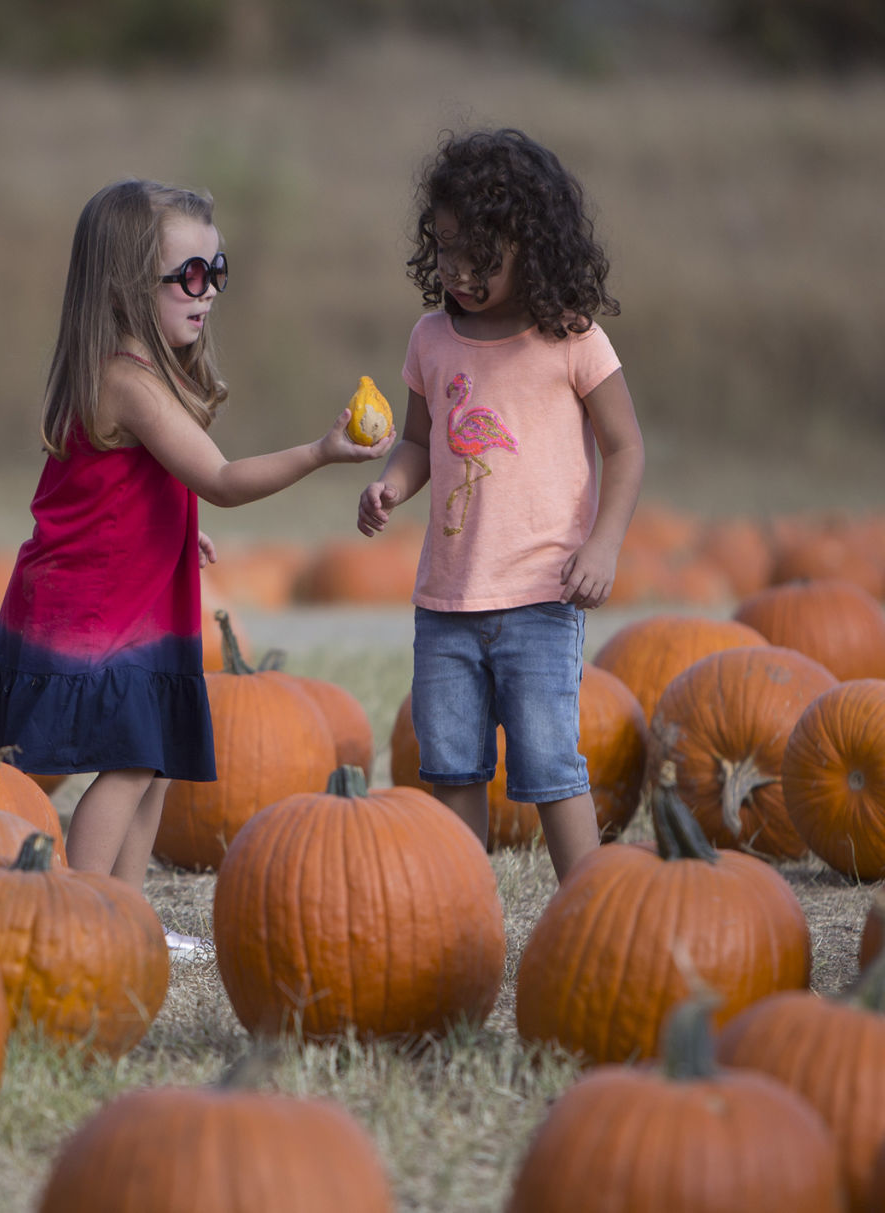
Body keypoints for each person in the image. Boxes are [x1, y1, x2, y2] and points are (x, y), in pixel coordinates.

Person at [0, 178, 393, 956]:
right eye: (189, 276)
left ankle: (128, 921)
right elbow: (222, 481)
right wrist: (323, 451)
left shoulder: (140, 377)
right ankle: (81, 916)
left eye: (216, 271)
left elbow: (119, 489)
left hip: (133, 593)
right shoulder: (127, 380)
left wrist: (172, 529)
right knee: (130, 762)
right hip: (91, 609)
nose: (208, 292)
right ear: (129, 287)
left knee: (154, 761)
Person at [356, 128, 645, 882]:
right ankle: (465, 913)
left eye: (477, 257)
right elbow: (421, 444)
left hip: (542, 597)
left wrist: (603, 545)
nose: (455, 270)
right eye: (444, 249)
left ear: (534, 244)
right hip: (446, 599)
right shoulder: (431, 338)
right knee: (449, 766)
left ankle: (585, 907)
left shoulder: (573, 339)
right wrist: (393, 483)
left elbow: (627, 448)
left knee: (552, 760)